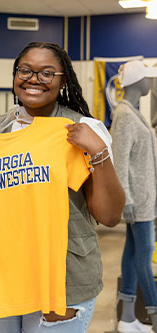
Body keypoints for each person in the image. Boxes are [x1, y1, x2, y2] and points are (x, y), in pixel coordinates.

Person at [0, 41, 125, 332]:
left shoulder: (82, 129)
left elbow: (110, 216)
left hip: (61, 278)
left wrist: (98, 153)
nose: (33, 79)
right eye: (25, 70)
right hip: (1, 275)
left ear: (63, 80)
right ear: (15, 75)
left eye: (46, 73)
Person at [111, 60, 157, 333]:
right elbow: (119, 161)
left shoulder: (132, 113)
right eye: (148, 78)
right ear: (137, 81)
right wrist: (126, 199)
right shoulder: (124, 116)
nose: (151, 82)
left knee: (131, 254)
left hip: (144, 199)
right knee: (144, 257)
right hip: (137, 202)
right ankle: (154, 314)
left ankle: (128, 317)